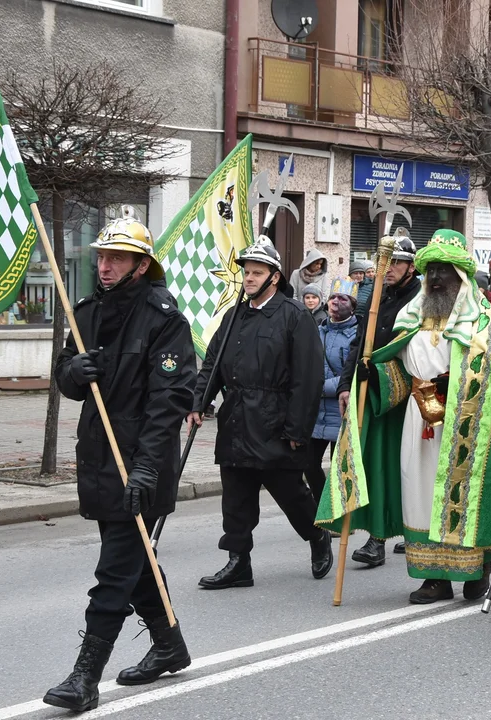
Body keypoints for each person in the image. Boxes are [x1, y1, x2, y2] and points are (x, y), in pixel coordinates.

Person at [317, 230, 491, 604]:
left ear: (461, 276)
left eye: (445, 270)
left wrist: (452, 386)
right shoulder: (410, 315)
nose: (436, 278)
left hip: (469, 424)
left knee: (468, 499)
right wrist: (375, 376)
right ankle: (433, 577)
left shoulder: (483, 322)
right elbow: (400, 372)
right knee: (419, 495)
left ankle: (476, 572)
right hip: (418, 422)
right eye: (430, 270)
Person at [44, 210, 196, 712]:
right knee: (136, 562)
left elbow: (169, 401)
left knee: (115, 570)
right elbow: (67, 375)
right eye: (102, 257)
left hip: (142, 461)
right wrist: (73, 372)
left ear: (140, 265)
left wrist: (148, 467)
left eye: (117, 258)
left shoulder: (164, 318)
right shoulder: (85, 311)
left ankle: (85, 676)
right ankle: (170, 645)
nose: (105, 265)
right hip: (98, 456)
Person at [193, 237, 333, 591]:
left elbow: (308, 378)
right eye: (247, 273)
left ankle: (317, 537)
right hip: (236, 419)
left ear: (274, 277)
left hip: (276, 423)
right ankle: (238, 562)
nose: (249, 279)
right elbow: (213, 362)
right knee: (235, 499)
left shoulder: (294, 315)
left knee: (291, 494)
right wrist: (199, 401)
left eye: (257, 273)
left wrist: (297, 430)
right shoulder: (234, 315)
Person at [343, 233, 424, 567]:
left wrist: (377, 372)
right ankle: (376, 539)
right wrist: (346, 384)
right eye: (384, 262)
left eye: (395, 262)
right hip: (373, 394)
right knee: (375, 465)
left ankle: (411, 530)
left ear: (411, 266)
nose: (387, 268)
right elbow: (359, 341)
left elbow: (414, 351)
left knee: (406, 468)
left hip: (408, 398)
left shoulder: (421, 300)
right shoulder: (377, 295)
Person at [308, 279, 360, 504]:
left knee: (340, 468)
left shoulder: (360, 336)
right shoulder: (317, 331)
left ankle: (339, 516)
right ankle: (322, 507)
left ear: (353, 305)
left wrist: (319, 388)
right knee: (307, 464)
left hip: (342, 412)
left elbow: (353, 374)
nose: (336, 302)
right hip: (316, 414)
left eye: (343, 298)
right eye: (332, 297)